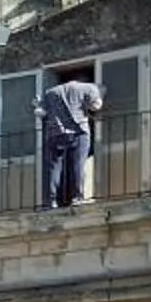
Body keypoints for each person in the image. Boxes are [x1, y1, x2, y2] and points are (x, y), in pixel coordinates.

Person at [39, 75, 106, 209]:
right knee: (77, 164)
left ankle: (51, 201)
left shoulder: (50, 92)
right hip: (79, 131)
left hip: (55, 132)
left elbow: (41, 112)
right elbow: (96, 106)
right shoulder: (89, 88)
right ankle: (77, 197)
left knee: (54, 168)